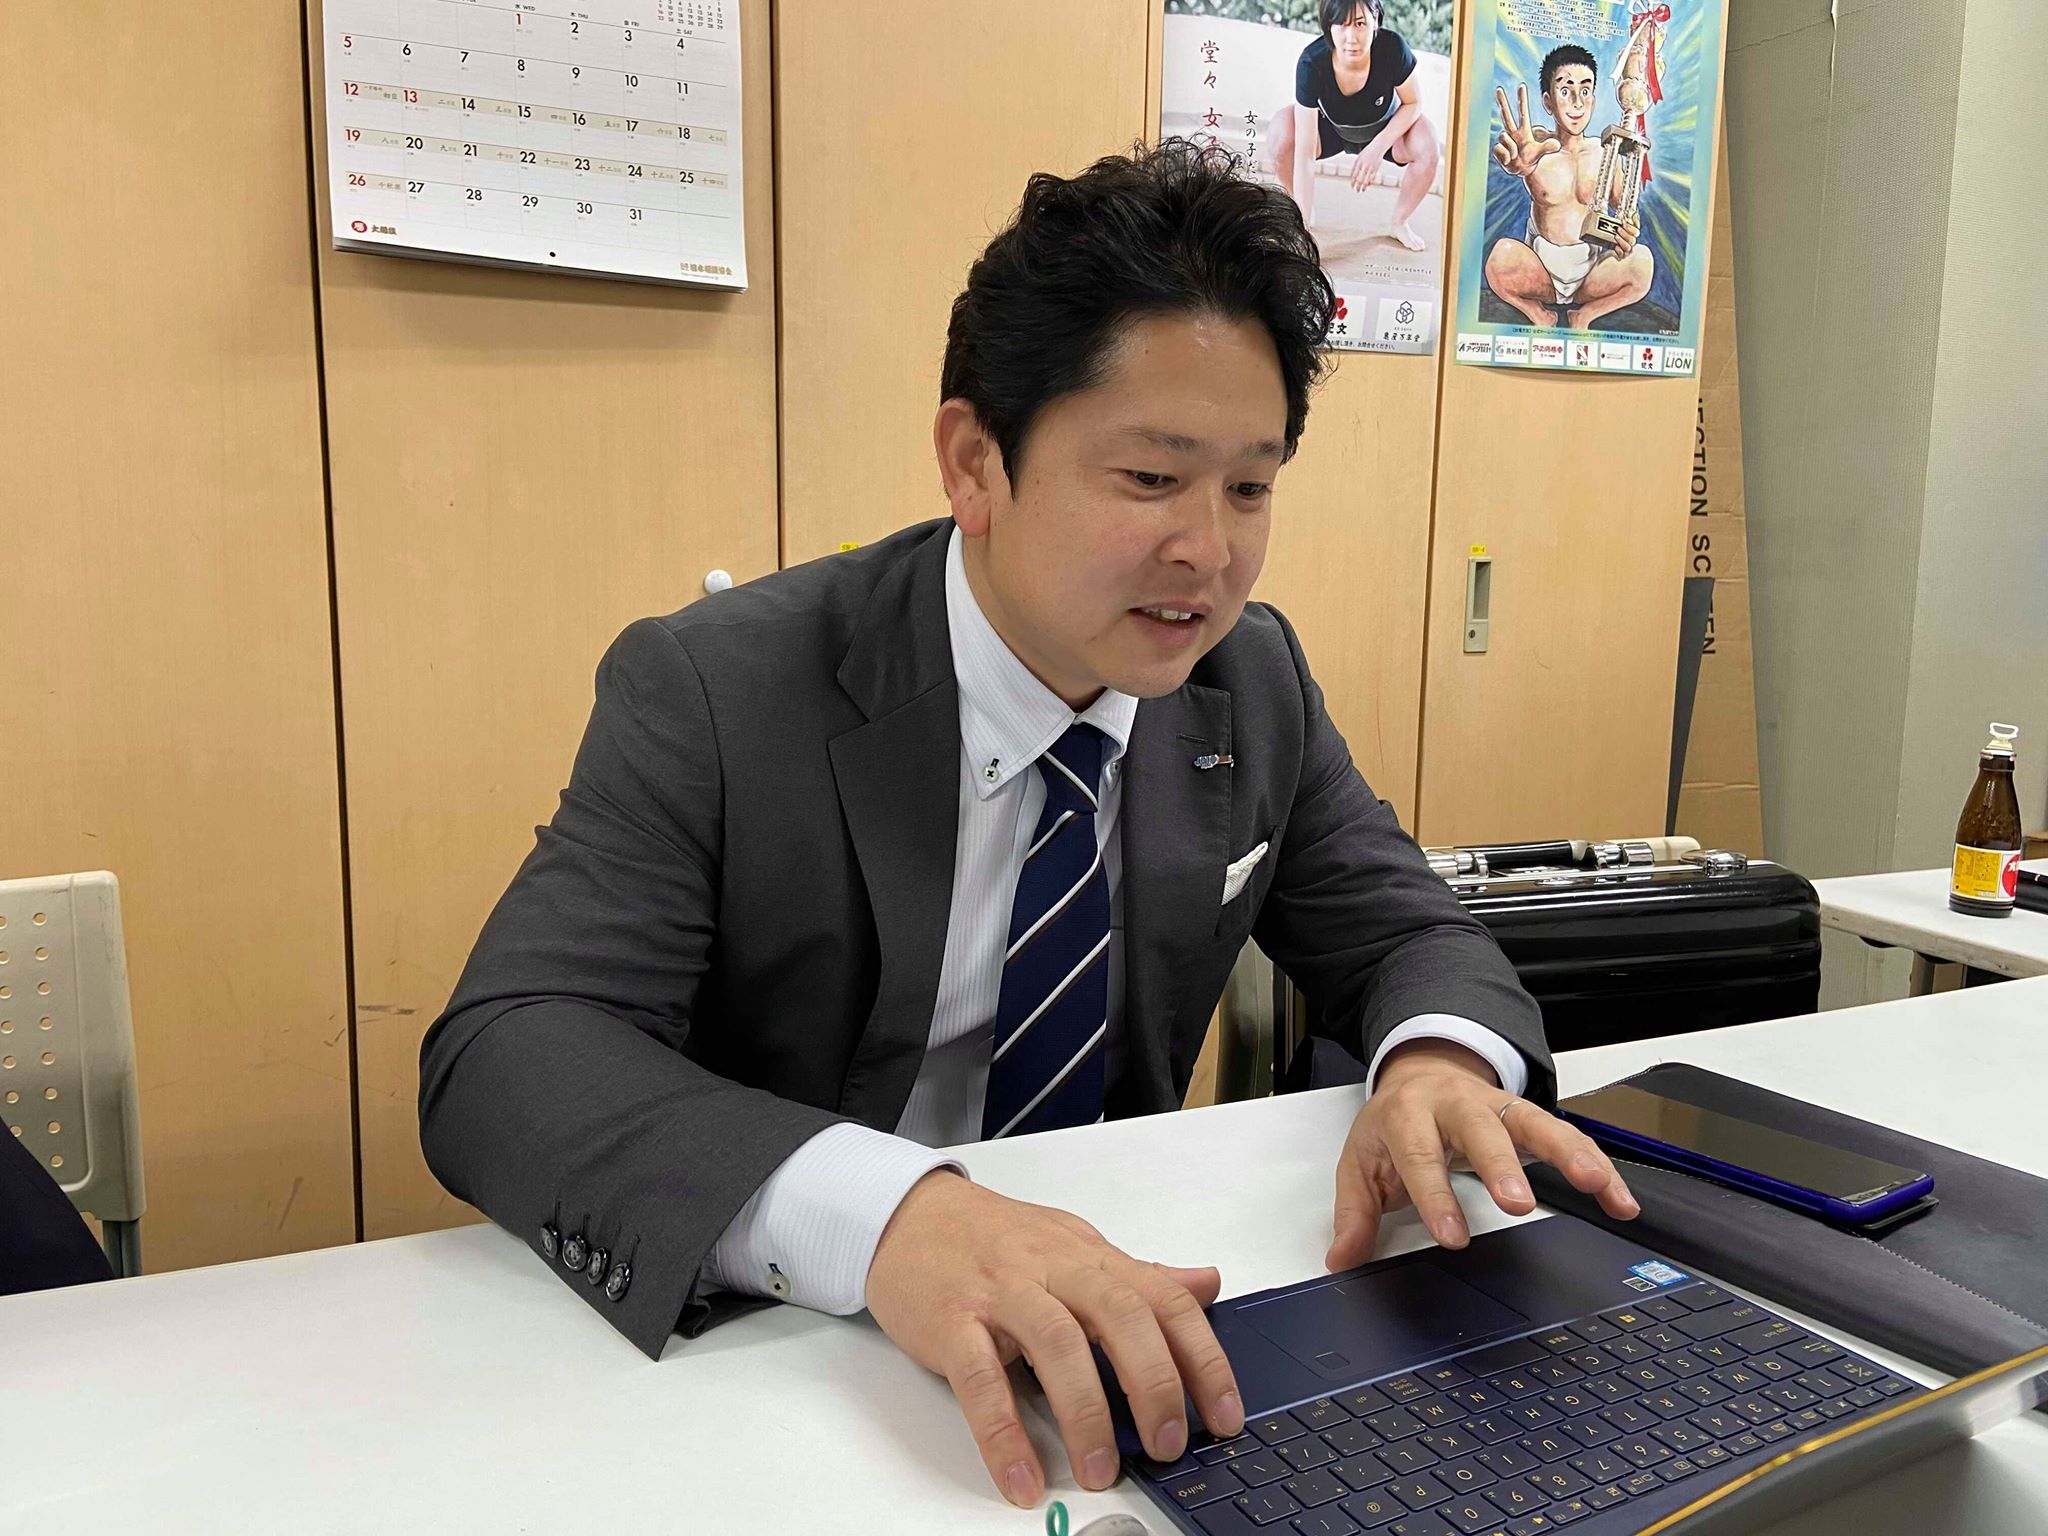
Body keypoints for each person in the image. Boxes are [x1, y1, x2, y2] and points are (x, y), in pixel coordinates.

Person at [419, 139, 1638, 1511]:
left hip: (1111, 1343)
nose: (1209, 552)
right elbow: (507, 1053)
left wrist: (1435, 1063)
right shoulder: (720, 689)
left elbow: (1407, 930)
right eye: (1151, 480)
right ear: (974, 463)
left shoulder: (1248, 682)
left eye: (1250, 487)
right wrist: (891, 1215)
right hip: (775, 1359)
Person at [1482, 45, 1655, 329]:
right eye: (1565, 91)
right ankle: (1538, 313)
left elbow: (1626, 210)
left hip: (1591, 275)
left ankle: (1584, 314)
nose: (1577, 102)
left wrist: (1628, 231)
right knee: (1499, 259)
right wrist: (1517, 166)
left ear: (1594, 99)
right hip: (1540, 271)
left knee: (1643, 263)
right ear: (1548, 102)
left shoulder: (1604, 153)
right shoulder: (1536, 146)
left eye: (1585, 91)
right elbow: (1518, 158)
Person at [1267, 0, 1440, 253]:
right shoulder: (1311, 62)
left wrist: (1377, 148)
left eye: (1360, 24)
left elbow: (1413, 103)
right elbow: (1304, 153)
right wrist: (1303, 226)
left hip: (1385, 131)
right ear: (1328, 27)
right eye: (1341, 24)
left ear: (1375, 21)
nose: (1351, 38)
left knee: (1428, 141)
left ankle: (1399, 222)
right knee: (1281, 131)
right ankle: (1301, 217)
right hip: (1332, 131)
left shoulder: (1392, 48)